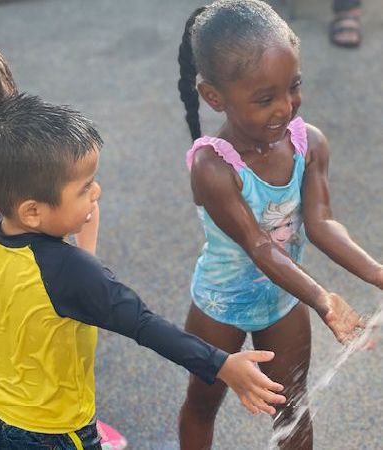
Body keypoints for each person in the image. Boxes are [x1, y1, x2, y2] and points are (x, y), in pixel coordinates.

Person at [0, 93, 287, 449]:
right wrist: (221, 364)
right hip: (54, 433)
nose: (96, 191)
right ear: (32, 211)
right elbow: (144, 324)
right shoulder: (71, 271)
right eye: (85, 188)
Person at [176, 1, 381, 449]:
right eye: (265, 99)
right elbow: (260, 245)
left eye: (294, 87)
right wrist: (324, 299)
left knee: (294, 407)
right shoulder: (213, 167)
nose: (285, 108)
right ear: (214, 97)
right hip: (219, 305)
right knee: (202, 402)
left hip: (283, 302)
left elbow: (322, 223)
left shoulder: (309, 144)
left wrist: (378, 274)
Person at [0, 34, 125, 450]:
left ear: (2, 115)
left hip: (34, 289)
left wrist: (86, 265)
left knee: (56, 373)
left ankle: (80, 424)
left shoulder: (31, 161)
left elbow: (88, 200)